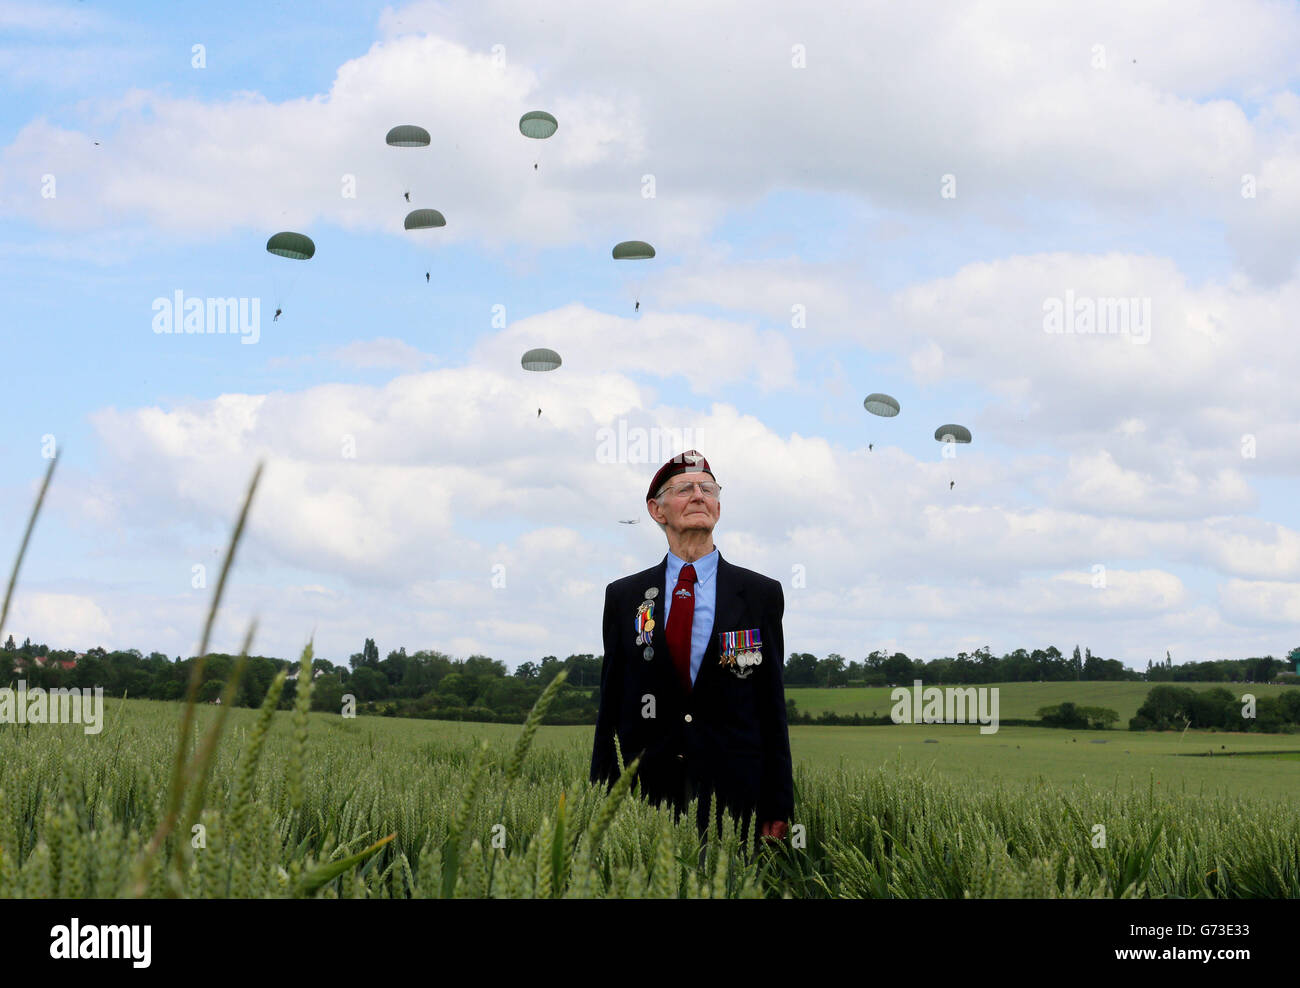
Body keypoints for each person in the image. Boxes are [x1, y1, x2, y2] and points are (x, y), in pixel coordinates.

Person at [590, 450, 793, 852]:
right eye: (685, 489)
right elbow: (611, 706)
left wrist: (779, 805)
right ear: (657, 510)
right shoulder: (625, 596)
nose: (700, 495)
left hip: (738, 798)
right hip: (646, 797)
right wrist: (600, 798)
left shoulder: (760, 594)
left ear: (718, 505)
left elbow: (771, 705)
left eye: (708, 488)